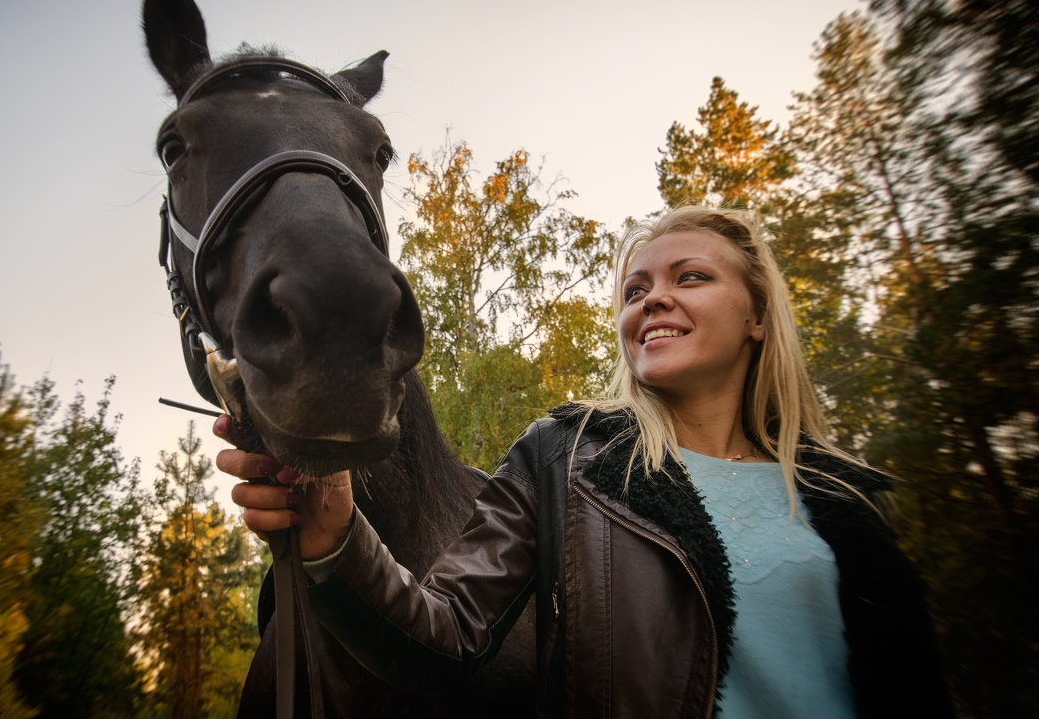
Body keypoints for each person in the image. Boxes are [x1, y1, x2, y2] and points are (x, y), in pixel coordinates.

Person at [216, 205, 953, 718]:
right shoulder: (564, 461)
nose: (654, 299)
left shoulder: (844, 500)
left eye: (689, 277)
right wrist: (338, 540)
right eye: (637, 290)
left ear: (759, 316)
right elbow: (445, 639)